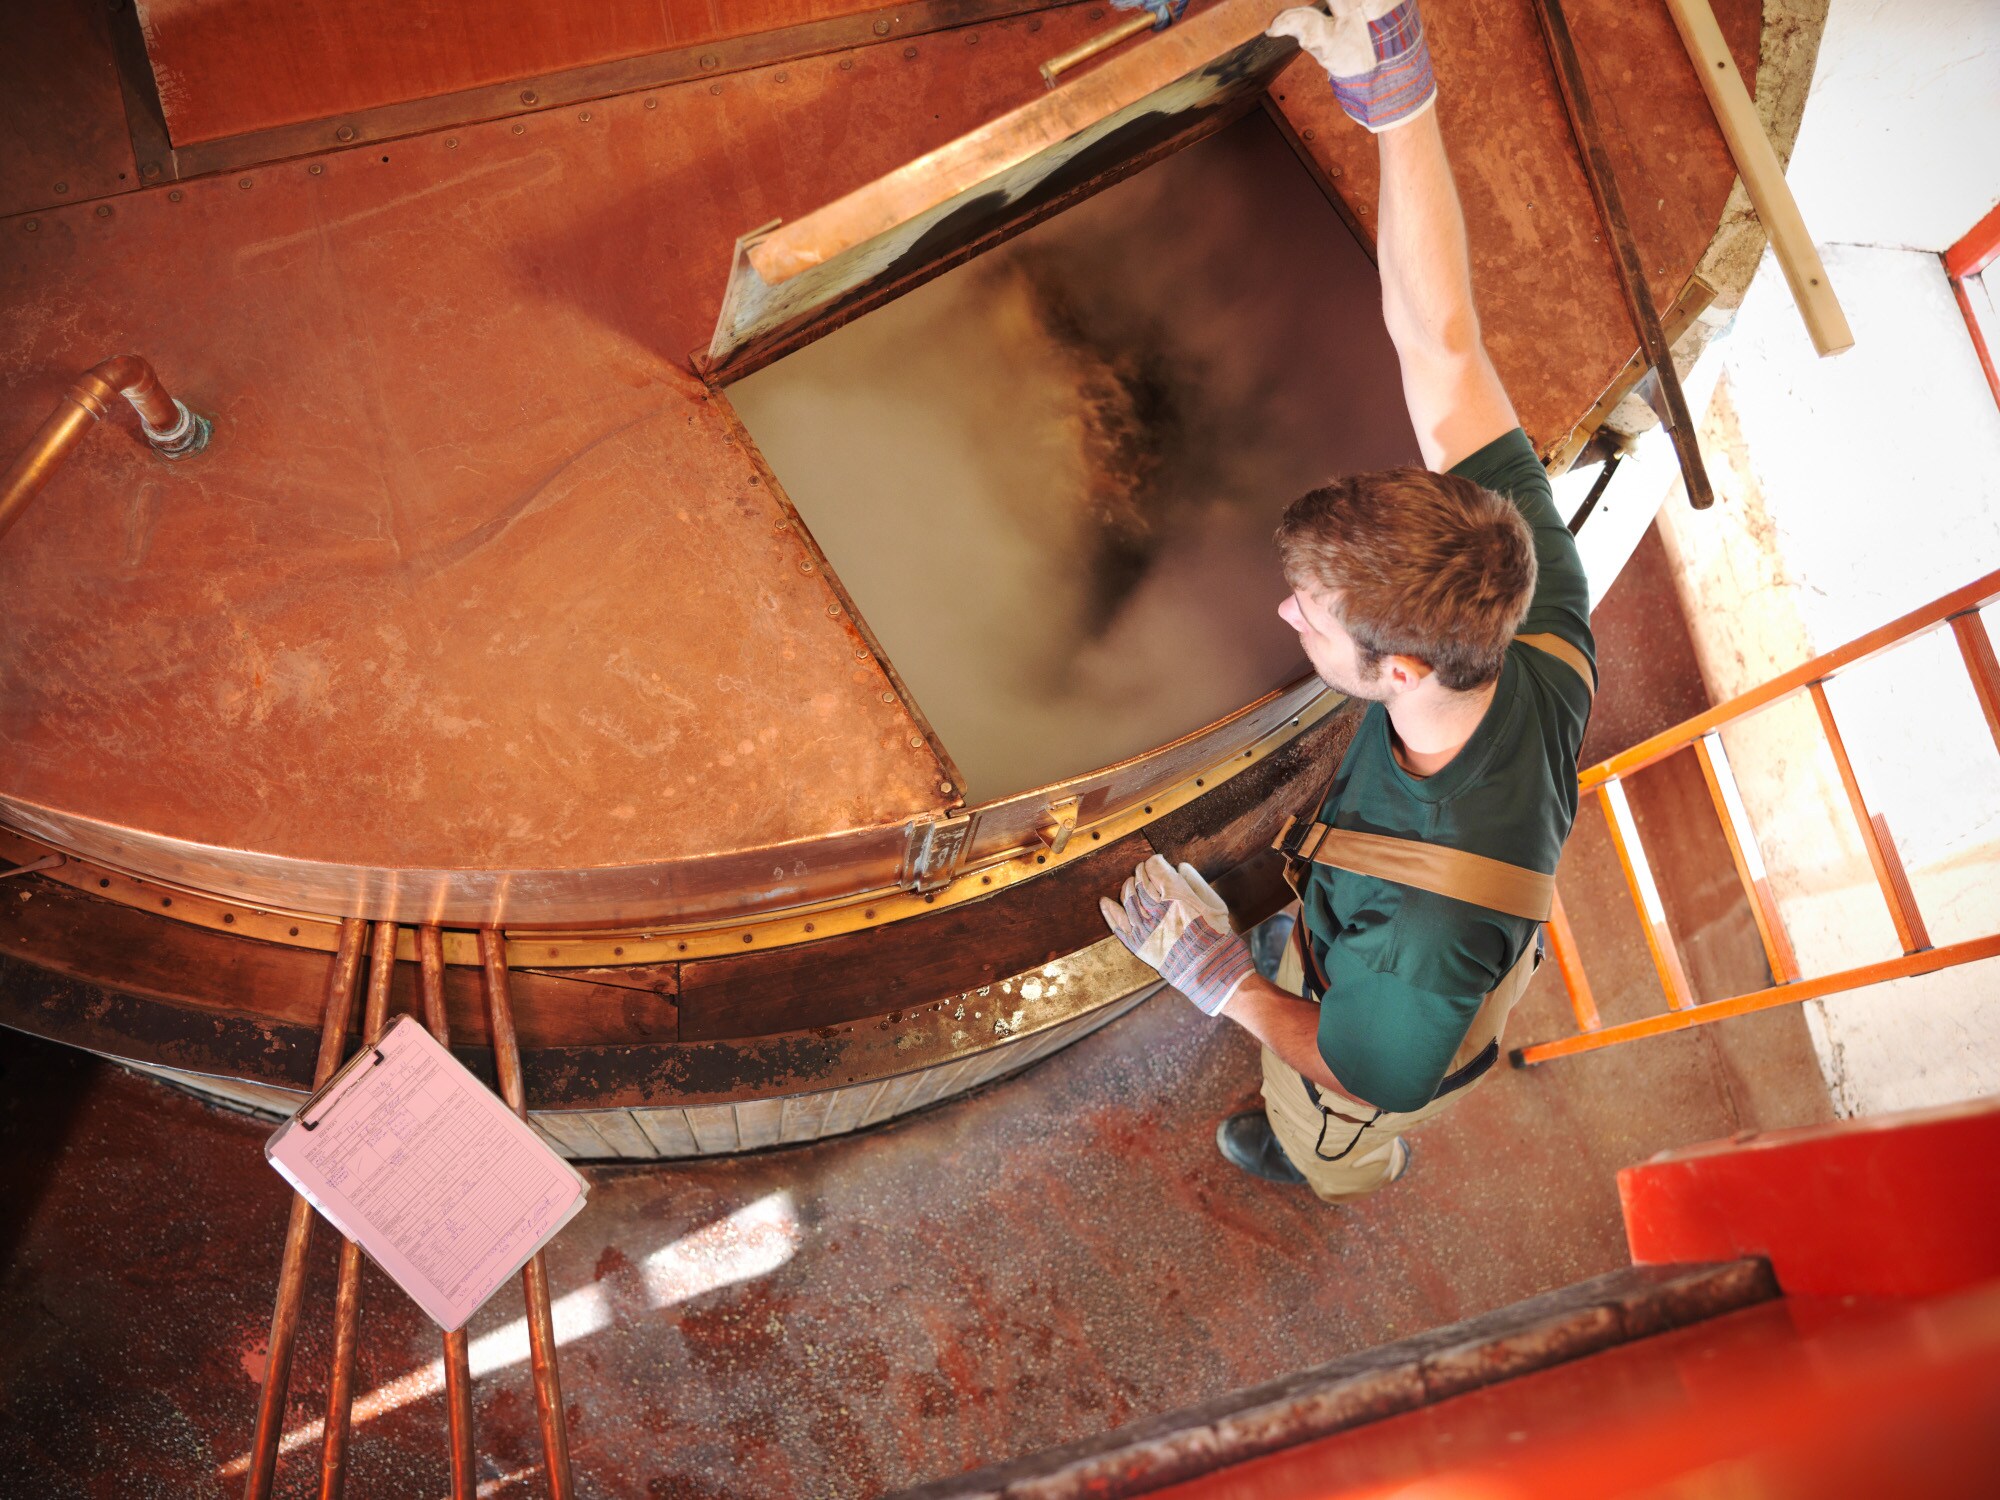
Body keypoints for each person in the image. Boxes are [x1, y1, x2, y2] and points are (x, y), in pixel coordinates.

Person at [1101, 0, 1596, 1201]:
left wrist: (1228, 984)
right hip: (1408, 933)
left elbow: (1366, 1066)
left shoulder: (1419, 947)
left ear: (1405, 671)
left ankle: (1316, 1164)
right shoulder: (1519, 588)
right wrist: (1396, 92)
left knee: (1328, 1113)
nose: (1287, 618)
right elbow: (1441, 345)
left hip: (1377, 1050)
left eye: (1312, 617)